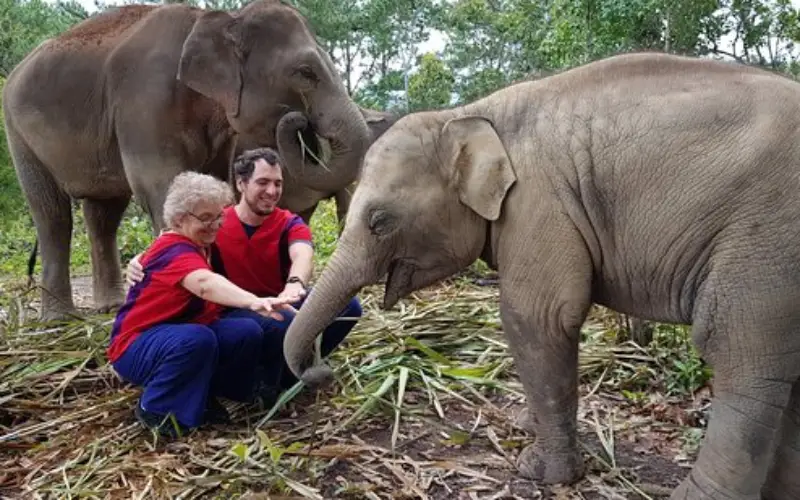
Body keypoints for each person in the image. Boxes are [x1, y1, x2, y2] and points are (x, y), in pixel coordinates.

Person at [126, 147, 363, 406]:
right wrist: (138, 261)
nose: (272, 191)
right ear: (241, 183)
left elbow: (302, 254)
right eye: (263, 182)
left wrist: (294, 285)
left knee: (347, 307)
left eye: (277, 183)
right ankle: (257, 383)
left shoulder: (288, 222)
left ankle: (292, 371)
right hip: (232, 309)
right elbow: (175, 243)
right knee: (277, 321)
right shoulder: (214, 222)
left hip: (280, 299)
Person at [108, 171, 299, 438]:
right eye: (206, 218)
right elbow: (204, 283)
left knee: (245, 331)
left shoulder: (200, 242)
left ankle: (219, 394)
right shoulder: (173, 249)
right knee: (196, 339)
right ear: (178, 220)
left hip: (181, 332)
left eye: (218, 216)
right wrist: (255, 301)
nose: (215, 224)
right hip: (137, 345)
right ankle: (156, 409)